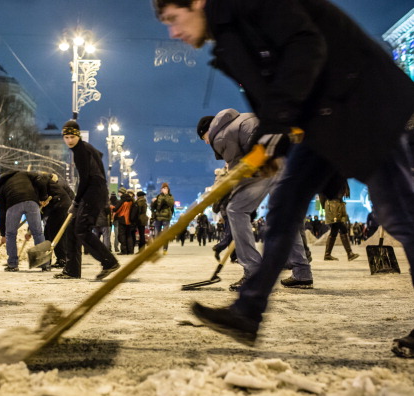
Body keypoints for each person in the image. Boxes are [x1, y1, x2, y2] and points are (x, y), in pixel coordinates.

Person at [154, 0, 414, 357]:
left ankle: (250, 307)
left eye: (173, 19)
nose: (173, 32)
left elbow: (307, 45)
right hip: (318, 118)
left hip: (364, 103)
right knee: (283, 208)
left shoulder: (253, 8)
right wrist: (271, 137)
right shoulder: (231, 36)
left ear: (197, 2)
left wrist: (276, 123)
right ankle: (248, 311)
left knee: (403, 217)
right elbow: (270, 87)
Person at [197, 109, 312, 290]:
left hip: (264, 162)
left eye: (204, 139)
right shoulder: (243, 119)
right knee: (283, 215)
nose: (206, 142)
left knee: (235, 210)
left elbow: (238, 171)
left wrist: (234, 198)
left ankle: (253, 272)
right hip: (285, 159)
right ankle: (302, 272)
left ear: (207, 131)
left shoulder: (220, 136)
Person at [61, 120, 120, 280]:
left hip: (93, 192)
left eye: (72, 136)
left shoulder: (81, 151)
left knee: (82, 229)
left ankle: (109, 262)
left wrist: (76, 201)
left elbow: (86, 178)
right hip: (95, 191)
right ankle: (72, 270)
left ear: (78, 135)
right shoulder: (87, 148)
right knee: (73, 226)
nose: (69, 140)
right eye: (66, 137)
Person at [0, 170, 49, 272]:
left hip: (13, 204)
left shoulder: (2, 187)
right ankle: (44, 264)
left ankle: (12, 264)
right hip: (31, 202)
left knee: (10, 234)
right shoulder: (25, 174)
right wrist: (43, 197)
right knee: (38, 232)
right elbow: (42, 180)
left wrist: (3, 234)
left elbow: (2, 212)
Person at [319, 176, 359, 261]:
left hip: (338, 203)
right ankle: (349, 253)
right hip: (332, 204)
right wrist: (325, 206)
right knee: (342, 227)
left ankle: (327, 254)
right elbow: (321, 191)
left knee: (335, 229)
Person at [151, 182, 175, 255]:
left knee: (165, 233)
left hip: (166, 217)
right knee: (157, 233)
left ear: (168, 189)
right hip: (158, 217)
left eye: (166, 188)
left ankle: (165, 248)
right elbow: (153, 207)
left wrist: (166, 195)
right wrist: (153, 202)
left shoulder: (170, 196)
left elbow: (170, 204)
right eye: (163, 188)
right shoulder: (158, 196)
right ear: (161, 189)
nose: (164, 189)